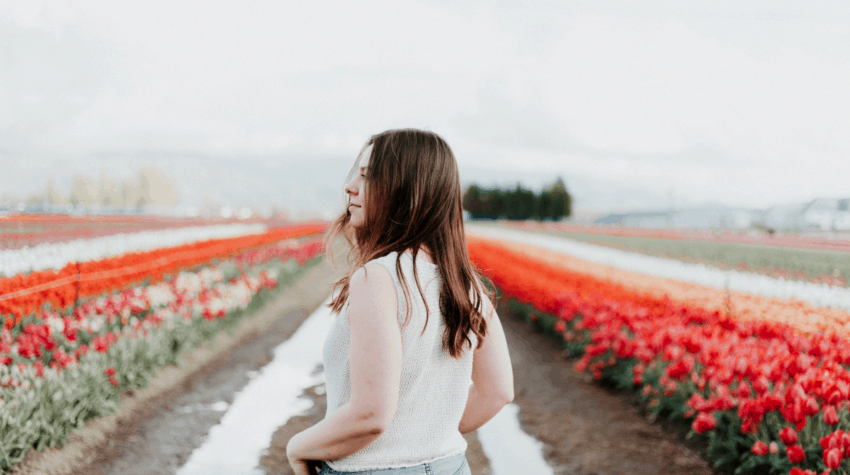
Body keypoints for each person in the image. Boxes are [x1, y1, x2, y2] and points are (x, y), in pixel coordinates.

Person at [285, 128, 514, 475]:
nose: (350, 187)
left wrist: (298, 447)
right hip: (451, 466)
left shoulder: (378, 279)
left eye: (367, 176)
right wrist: (427, 436)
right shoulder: (465, 283)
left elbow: (370, 415)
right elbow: (497, 392)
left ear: (405, 191)